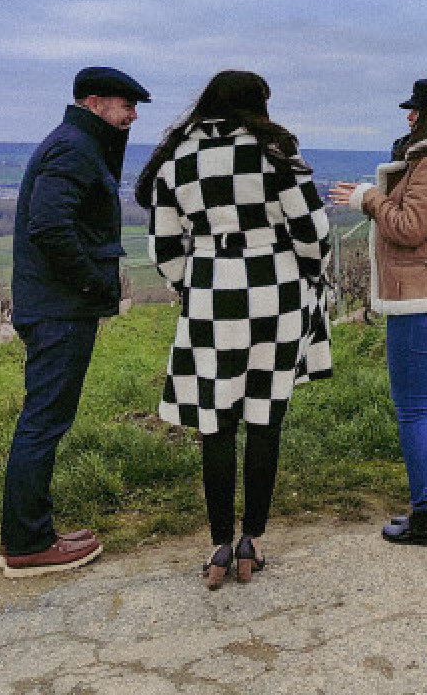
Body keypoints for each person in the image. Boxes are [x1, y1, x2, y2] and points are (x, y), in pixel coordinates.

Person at [136, 70, 332, 589]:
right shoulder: (275, 151)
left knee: (216, 421)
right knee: (265, 417)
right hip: (276, 288)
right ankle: (253, 541)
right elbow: (312, 229)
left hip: (211, 290)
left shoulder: (177, 158)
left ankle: (219, 545)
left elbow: (163, 247)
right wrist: (309, 272)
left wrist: (192, 281)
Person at [1, 66, 151, 578]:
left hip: (56, 306)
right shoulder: (73, 148)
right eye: (126, 106)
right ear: (93, 103)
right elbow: (49, 226)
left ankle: (35, 532)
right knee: (43, 423)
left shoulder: (78, 143)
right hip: (59, 309)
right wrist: (90, 284)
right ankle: (27, 544)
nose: (133, 116)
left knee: (46, 420)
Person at [330, 78, 427, 546]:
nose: (409, 117)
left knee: (412, 408)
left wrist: (367, 199)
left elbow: (410, 227)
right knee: (425, 403)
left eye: (416, 110)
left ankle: (425, 516)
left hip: (421, 297)